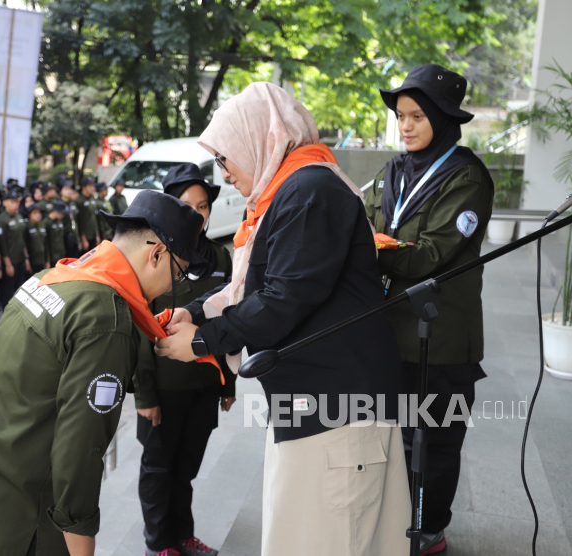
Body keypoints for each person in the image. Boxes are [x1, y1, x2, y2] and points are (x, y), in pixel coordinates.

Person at [154, 82, 409, 556]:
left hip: (338, 411)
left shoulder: (309, 190)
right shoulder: (290, 190)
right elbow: (252, 288)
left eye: (226, 157)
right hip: (316, 405)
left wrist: (201, 341)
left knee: (331, 539)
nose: (224, 173)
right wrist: (191, 313)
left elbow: (285, 296)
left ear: (260, 138)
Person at [0, 190, 208, 556]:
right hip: (22, 514)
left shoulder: (53, 276)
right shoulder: (106, 318)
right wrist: (79, 539)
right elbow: (80, 446)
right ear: (156, 254)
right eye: (179, 273)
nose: (174, 287)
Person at [365, 64, 494, 556]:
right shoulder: (394, 170)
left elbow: (429, 254)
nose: (407, 126)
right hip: (386, 331)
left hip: (439, 339)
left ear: (443, 118)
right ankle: (397, 524)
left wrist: (364, 247)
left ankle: (430, 531)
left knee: (435, 443)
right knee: (392, 441)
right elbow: (369, 219)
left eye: (418, 115)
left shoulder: (467, 178)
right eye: (401, 116)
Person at [133, 164, 235, 556]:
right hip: (163, 387)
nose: (196, 213)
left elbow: (231, 323)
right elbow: (140, 331)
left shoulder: (222, 259)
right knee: (158, 467)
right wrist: (144, 395)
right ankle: (159, 543)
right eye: (185, 204)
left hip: (205, 385)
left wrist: (228, 382)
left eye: (203, 205)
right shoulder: (152, 257)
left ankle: (182, 534)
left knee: (187, 467)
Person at [0, 190, 28, 307]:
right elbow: (2, 245)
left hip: (21, 259)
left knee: (20, 288)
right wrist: (8, 264)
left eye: (17, 202)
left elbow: (22, 240)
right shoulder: (2, 219)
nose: (16, 204)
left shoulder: (19, 217)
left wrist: (26, 258)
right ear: (4, 203)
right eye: (12, 202)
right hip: (10, 261)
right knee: (8, 290)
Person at [25, 204, 49, 273]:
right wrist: (27, 261)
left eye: (39, 213)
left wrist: (47, 260)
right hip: (32, 261)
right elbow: (25, 245)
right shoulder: (27, 227)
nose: (38, 215)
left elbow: (45, 243)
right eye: (35, 213)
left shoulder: (42, 226)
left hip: (42, 260)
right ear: (29, 214)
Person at [45, 202, 68, 267]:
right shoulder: (47, 223)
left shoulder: (59, 221)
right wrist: (47, 259)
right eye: (61, 213)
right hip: (52, 256)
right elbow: (46, 243)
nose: (62, 215)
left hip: (61, 253)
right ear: (55, 211)